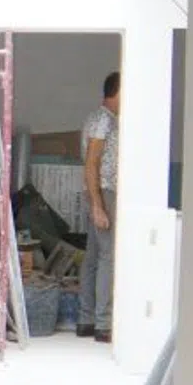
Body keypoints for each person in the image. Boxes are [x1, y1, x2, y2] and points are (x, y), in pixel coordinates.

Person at [79, 70, 120, 342]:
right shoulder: (104, 121)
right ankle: (103, 323)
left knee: (93, 257)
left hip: (95, 192)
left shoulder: (96, 118)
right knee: (108, 256)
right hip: (103, 192)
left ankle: (86, 320)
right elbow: (92, 162)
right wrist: (98, 205)